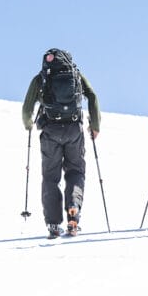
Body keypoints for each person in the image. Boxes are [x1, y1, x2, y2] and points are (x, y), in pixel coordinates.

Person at [21, 48, 101, 238]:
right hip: (74, 130)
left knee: (50, 177)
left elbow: (27, 108)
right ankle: (73, 207)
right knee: (75, 171)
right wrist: (95, 124)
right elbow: (93, 96)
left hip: (50, 131)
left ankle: (53, 224)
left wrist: (28, 124)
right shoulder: (75, 74)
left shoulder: (40, 78)